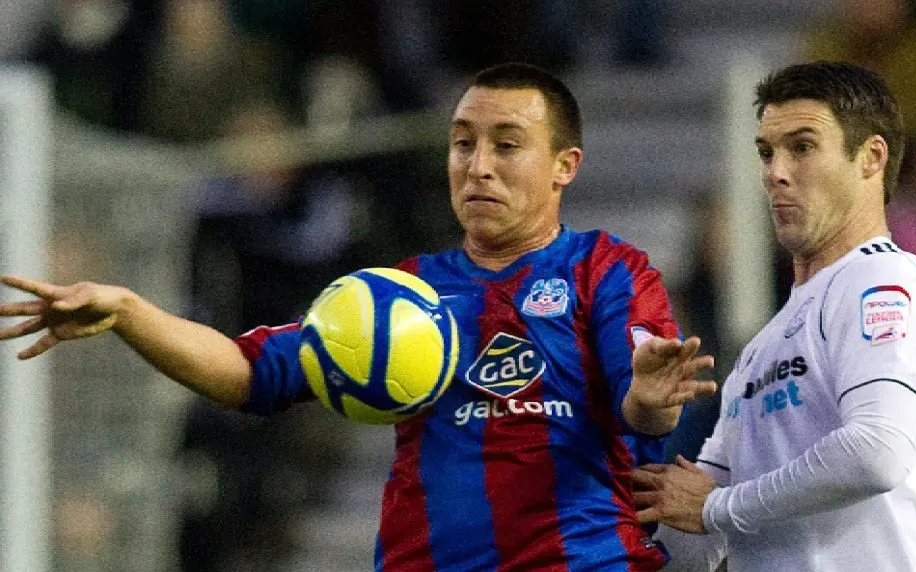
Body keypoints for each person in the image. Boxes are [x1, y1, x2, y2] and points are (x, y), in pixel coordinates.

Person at [0, 63, 717, 571]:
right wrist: (130, 312)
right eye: (463, 141)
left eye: (507, 144)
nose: (477, 165)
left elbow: (642, 406)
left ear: (565, 165)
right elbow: (251, 374)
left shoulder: (606, 270)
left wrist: (650, 403)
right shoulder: (398, 293)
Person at [633, 61, 916, 572]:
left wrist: (719, 506)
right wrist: (642, 419)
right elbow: (691, 539)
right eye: (766, 152)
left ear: (871, 157)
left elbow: (877, 451)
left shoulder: (886, 279)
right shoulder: (763, 346)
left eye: (802, 147)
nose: (774, 172)